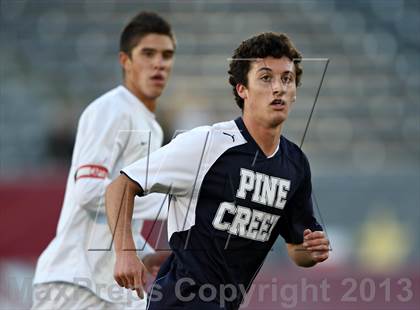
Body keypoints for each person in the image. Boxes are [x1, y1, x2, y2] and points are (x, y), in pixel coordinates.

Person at [105, 32, 330, 310]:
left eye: (287, 78)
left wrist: (311, 250)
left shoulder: (295, 164)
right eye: (265, 78)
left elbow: (297, 250)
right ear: (242, 89)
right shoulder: (207, 144)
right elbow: (121, 186)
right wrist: (125, 252)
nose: (278, 88)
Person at [32, 11, 176, 310]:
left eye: (166, 54)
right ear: (125, 60)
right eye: (148, 53)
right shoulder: (110, 110)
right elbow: (90, 192)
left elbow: (124, 215)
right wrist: (168, 204)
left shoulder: (152, 126)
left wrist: (147, 254)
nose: (159, 63)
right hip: (75, 282)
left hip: (114, 286)